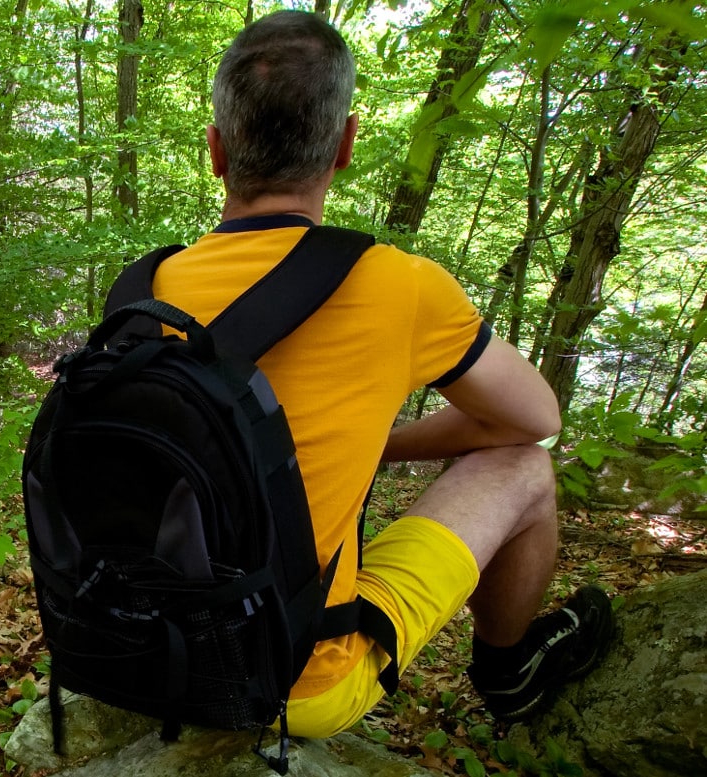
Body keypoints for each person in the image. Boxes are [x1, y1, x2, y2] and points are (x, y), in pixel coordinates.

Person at [150, 10, 614, 738]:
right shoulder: (395, 285)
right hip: (296, 681)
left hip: (147, 652)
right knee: (526, 467)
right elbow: (535, 421)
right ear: (345, 145)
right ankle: (510, 673)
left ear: (215, 150)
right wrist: (388, 440)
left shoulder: (145, 289)